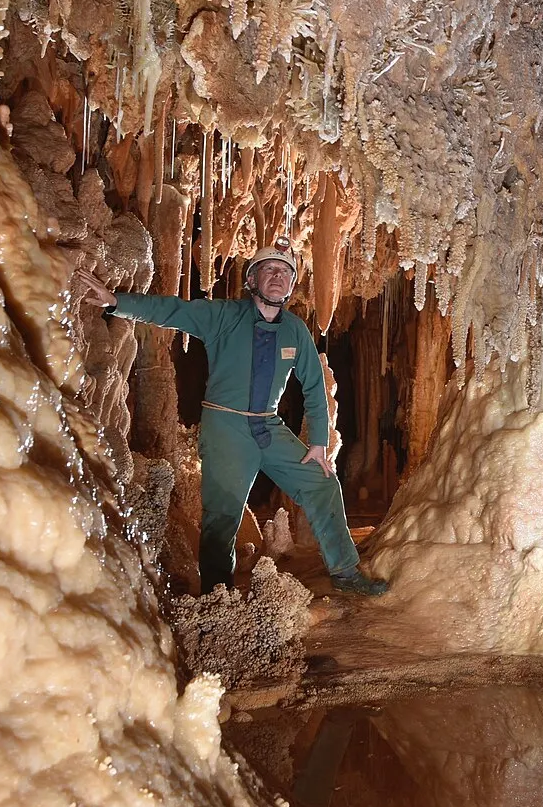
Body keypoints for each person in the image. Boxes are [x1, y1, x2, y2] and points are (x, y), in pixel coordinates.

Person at [74, 246, 389, 599]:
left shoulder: (295, 331)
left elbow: (315, 386)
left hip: (268, 426)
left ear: (290, 286)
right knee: (222, 515)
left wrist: (319, 441)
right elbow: (172, 311)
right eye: (269, 270)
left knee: (322, 484)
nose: (277, 277)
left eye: (284, 273)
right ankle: (217, 594)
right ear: (252, 280)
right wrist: (117, 301)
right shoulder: (223, 316)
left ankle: (345, 572)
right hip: (226, 426)